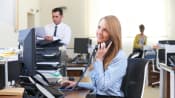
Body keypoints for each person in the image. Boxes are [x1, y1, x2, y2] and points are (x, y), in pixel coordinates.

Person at [61, 15, 127, 98]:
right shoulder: (102, 53)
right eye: (99, 27)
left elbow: (102, 87)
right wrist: (77, 84)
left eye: (105, 30)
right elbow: (96, 83)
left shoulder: (119, 56)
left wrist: (99, 59)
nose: (99, 32)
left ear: (113, 35)